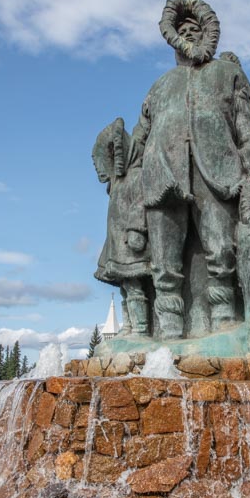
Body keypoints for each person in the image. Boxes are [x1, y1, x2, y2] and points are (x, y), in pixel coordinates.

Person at [128, 0, 250, 339]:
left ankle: (223, 320)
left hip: (218, 172)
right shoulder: (160, 86)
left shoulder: (227, 73)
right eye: (183, 30)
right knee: (164, 260)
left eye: (195, 29)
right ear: (173, 39)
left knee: (221, 249)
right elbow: (139, 137)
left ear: (207, 33)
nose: (189, 34)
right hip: (163, 173)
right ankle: (170, 328)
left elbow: (246, 125)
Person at [92, 117, 152, 335]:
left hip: (131, 244)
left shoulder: (137, 175)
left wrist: (137, 228)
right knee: (126, 288)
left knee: (135, 287)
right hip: (117, 244)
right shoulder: (117, 183)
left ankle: (141, 329)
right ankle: (128, 326)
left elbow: (140, 203)